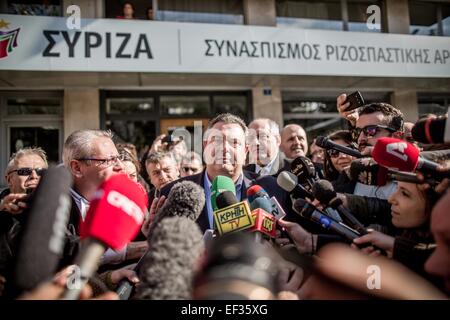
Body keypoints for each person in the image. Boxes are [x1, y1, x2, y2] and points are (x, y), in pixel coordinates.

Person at [159, 113, 291, 233]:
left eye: (234, 143)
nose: (224, 148)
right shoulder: (172, 193)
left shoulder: (271, 188)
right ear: (205, 146)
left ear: (245, 150)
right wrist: (153, 234)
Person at [63, 130, 147, 267]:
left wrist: (148, 231)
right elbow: (66, 251)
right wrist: (135, 249)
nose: (120, 166)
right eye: (109, 160)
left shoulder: (120, 200)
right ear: (77, 168)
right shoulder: (52, 205)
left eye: (118, 158)